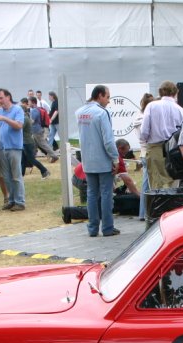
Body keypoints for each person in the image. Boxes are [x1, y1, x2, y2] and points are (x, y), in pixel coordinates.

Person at [76, 84, 120, 236]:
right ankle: (107, 227)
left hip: (87, 160)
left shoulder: (80, 112)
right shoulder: (102, 113)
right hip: (102, 160)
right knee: (106, 193)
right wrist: (115, 158)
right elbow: (108, 140)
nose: (108, 101)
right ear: (100, 95)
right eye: (107, 97)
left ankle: (92, 228)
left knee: (91, 194)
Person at [63, 139, 140, 223]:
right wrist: (139, 196)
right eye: (125, 152)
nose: (125, 155)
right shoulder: (117, 158)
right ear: (120, 148)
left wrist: (113, 188)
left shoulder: (106, 151)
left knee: (99, 206)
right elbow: (128, 181)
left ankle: (71, 211)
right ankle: (69, 212)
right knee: (98, 212)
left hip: (80, 175)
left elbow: (108, 175)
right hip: (83, 179)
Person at [139, 80, 183, 189]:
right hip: (174, 149)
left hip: (155, 148)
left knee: (156, 185)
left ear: (160, 92)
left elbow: (144, 131)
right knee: (174, 182)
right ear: (175, 92)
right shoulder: (180, 110)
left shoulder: (151, 106)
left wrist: (146, 140)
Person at [0, 88, 26, 211]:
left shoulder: (17, 110)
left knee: (16, 176)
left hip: (14, 147)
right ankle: (11, 200)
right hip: (2, 148)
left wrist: (4, 119)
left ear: (8, 97)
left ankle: (20, 202)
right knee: (6, 177)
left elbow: (19, 125)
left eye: (1, 98)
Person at [20, 98, 49, 179]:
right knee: (23, 160)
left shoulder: (25, 119)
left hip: (27, 142)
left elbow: (19, 128)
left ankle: (44, 171)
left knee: (31, 159)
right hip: (25, 142)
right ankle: (21, 175)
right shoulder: (25, 118)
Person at [29, 96, 58, 162]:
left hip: (36, 130)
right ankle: (31, 158)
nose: (28, 103)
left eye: (29, 102)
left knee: (43, 144)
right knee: (34, 145)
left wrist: (26, 122)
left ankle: (54, 156)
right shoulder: (37, 109)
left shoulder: (34, 110)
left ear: (33, 102)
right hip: (37, 130)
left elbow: (32, 121)